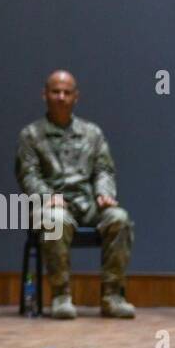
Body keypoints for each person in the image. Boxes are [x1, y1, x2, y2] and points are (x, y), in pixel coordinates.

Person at [15, 70, 135, 319]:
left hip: (87, 202)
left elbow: (104, 169)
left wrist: (104, 194)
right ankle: (61, 295)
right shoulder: (31, 135)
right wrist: (47, 195)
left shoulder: (92, 133)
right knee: (55, 221)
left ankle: (112, 296)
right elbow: (28, 175)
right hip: (51, 205)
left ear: (76, 97)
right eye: (55, 92)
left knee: (119, 219)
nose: (61, 97)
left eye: (66, 92)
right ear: (44, 95)